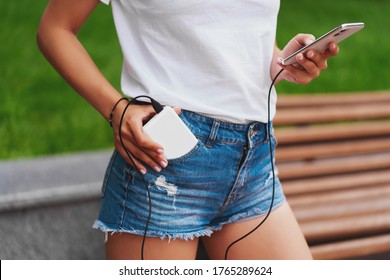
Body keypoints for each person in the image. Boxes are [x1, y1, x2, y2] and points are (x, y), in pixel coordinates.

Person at [37, 0, 339, 260]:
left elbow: (234, 38)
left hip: (254, 164)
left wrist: (281, 62)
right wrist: (117, 108)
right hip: (165, 164)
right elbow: (55, 30)